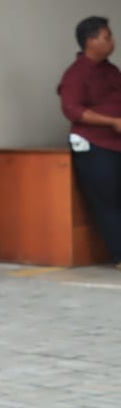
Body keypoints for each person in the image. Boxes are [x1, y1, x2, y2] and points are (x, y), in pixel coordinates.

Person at [57, 15, 121, 266]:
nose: (112, 41)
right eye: (107, 36)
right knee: (108, 200)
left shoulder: (111, 71)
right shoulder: (76, 74)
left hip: (116, 144)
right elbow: (72, 109)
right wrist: (112, 122)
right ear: (90, 41)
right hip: (95, 145)